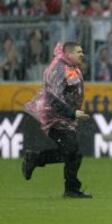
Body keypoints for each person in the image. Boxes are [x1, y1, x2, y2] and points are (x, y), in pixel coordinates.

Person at [22, 42, 92, 199]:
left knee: (73, 153)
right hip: (55, 118)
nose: (82, 54)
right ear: (68, 54)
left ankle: (70, 187)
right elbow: (53, 99)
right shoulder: (59, 69)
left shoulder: (70, 67)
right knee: (72, 151)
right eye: (79, 52)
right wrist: (72, 113)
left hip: (65, 118)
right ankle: (70, 188)